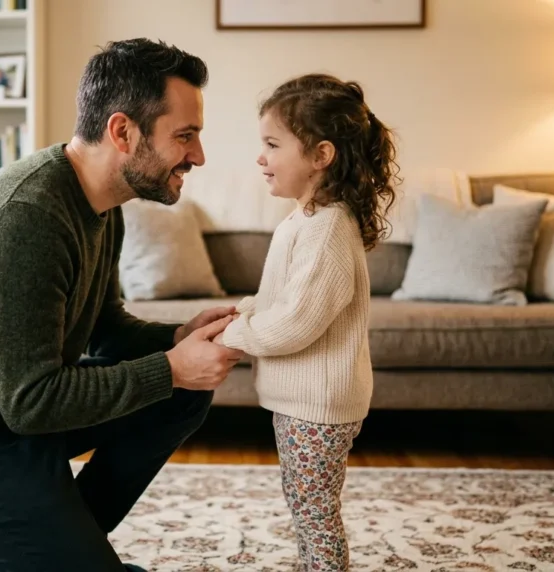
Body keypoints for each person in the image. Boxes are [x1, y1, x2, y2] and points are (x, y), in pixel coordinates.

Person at [0, 38, 245, 572]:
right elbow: (32, 401)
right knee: (171, 381)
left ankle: (58, 539)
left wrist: (176, 342)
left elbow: (104, 327)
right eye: (184, 136)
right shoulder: (27, 217)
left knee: (182, 395)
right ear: (122, 132)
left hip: (11, 409)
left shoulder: (103, 203)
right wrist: (168, 369)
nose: (198, 156)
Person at [213, 73, 398, 570]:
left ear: (321, 155)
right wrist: (242, 312)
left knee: (315, 513)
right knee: (304, 505)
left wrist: (235, 334)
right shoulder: (304, 219)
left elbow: (296, 321)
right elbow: (278, 297)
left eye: (273, 144)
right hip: (303, 401)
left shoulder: (328, 228)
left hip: (317, 406)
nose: (261, 157)